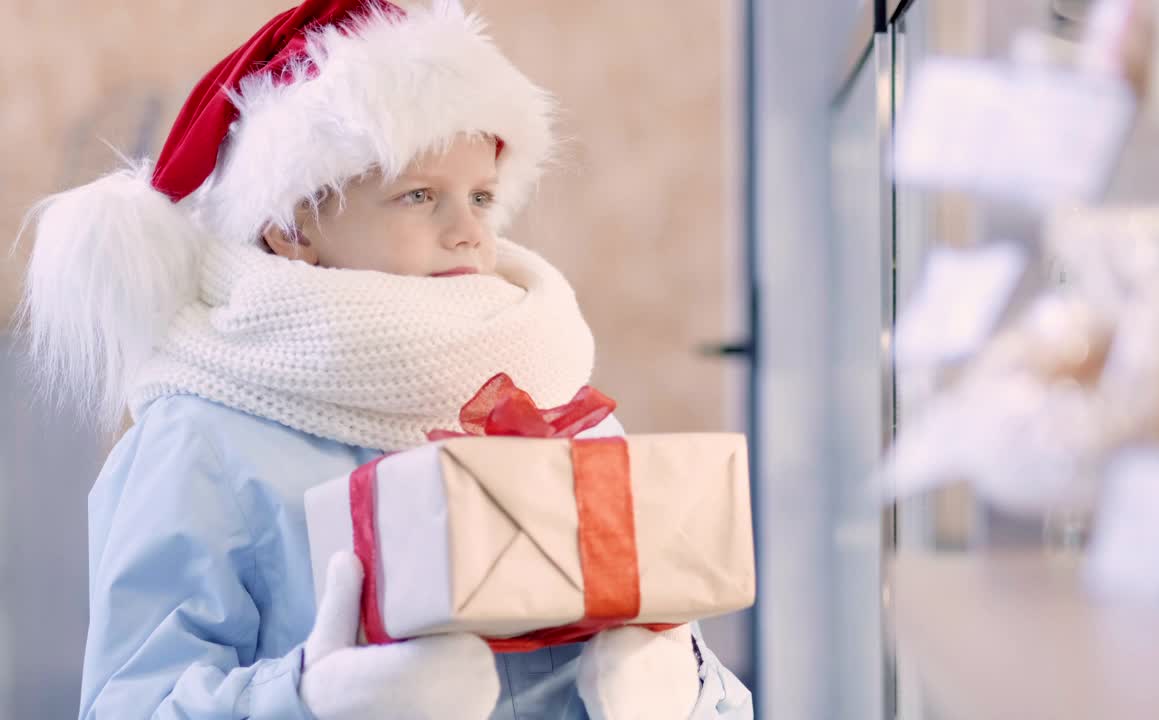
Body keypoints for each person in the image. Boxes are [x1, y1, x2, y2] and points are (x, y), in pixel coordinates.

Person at [20, 1, 753, 718]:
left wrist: (684, 688)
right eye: (419, 195)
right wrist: (309, 697)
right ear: (289, 227)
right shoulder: (200, 439)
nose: (468, 231)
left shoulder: (554, 402)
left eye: (482, 196)